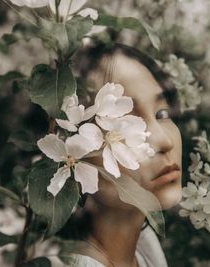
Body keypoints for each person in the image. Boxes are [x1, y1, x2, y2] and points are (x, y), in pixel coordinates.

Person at [57, 43, 182, 267]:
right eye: (125, 124)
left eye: (162, 113)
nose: (165, 141)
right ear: (71, 154)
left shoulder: (144, 246)